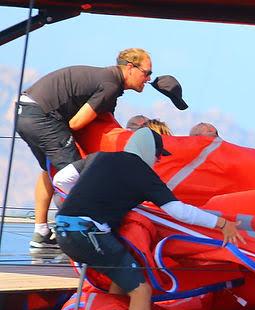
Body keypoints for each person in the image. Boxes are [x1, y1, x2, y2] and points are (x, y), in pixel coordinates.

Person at [54, 128, 243, 310]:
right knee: (141, 289)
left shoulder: (98, 158)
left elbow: (60, 180)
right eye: (158, 156)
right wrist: (221, 224)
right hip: (89, 234)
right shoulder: (141, 172)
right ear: (147, 151)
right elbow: (179, 212)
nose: (157, 161)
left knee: (123, 275)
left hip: (63, 230)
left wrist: (92, 199)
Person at [16, 48, 154, 248]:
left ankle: (41, 232)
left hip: (25, 112)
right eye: (147, 72)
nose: (148, 79)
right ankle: (74, 236)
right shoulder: (110, 84)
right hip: (43, 116)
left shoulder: (107, 79)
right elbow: (76, 123)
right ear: (130, 68)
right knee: (76, 177)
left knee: (50, 170)